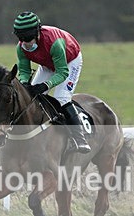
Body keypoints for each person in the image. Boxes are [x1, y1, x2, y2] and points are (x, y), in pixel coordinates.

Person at [13, 11, 91, 154]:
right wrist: (25, 84)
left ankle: (80, 138)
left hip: (69, 62)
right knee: (31, 97)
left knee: (61, 98)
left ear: (37, 33)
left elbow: (62, 73)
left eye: (29, 38)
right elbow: (24, 70)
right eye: (22, 39)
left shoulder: (54, 43)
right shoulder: (21, 48)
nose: (26, 43)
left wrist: (45, 85)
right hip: (47, 63)